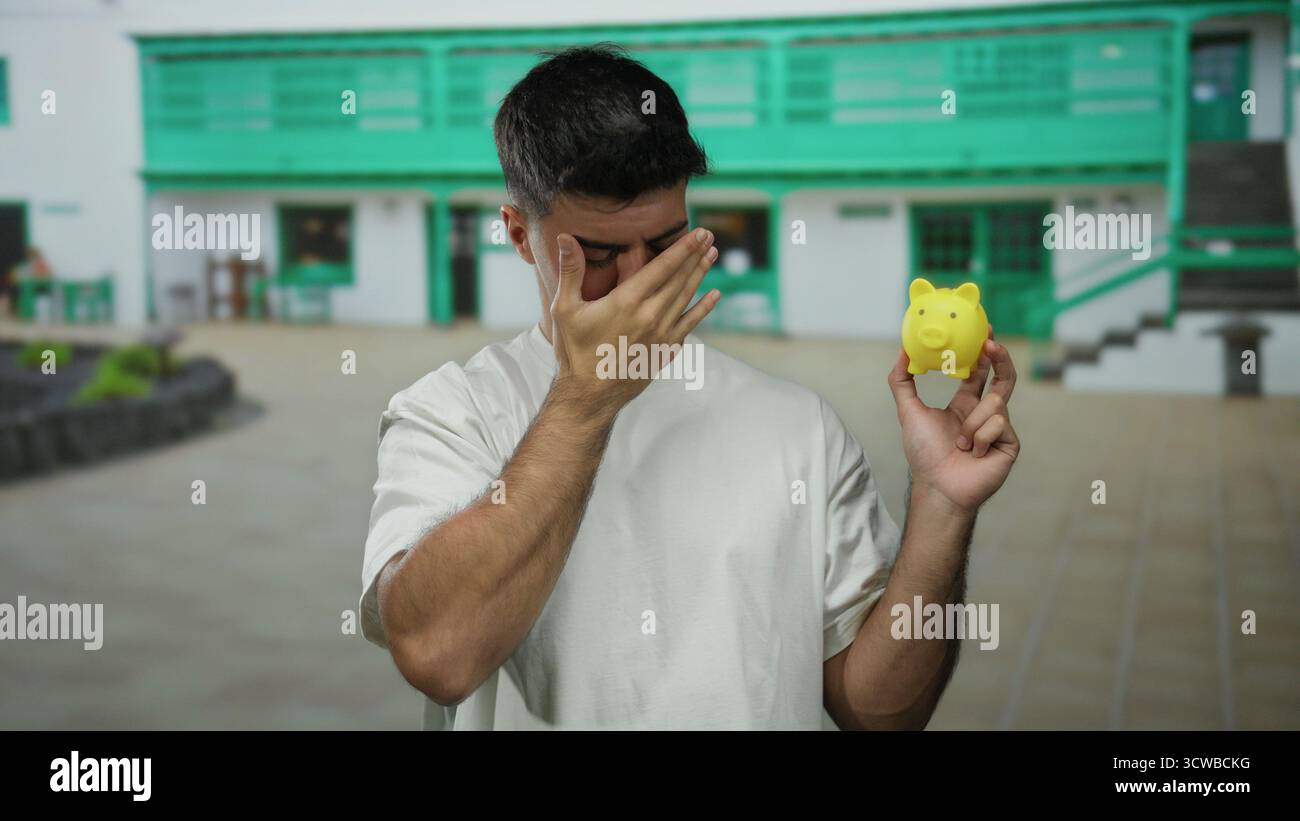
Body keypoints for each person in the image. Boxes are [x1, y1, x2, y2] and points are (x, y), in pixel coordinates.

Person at [359, 45, 1021, 730]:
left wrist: (942, 506)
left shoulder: (800, 426)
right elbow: (437, 653)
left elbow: (879, 712)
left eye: (667, 244)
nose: (643, 284)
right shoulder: (449, 414)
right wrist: (588, 397)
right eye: (603, 255)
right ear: (521, 236)